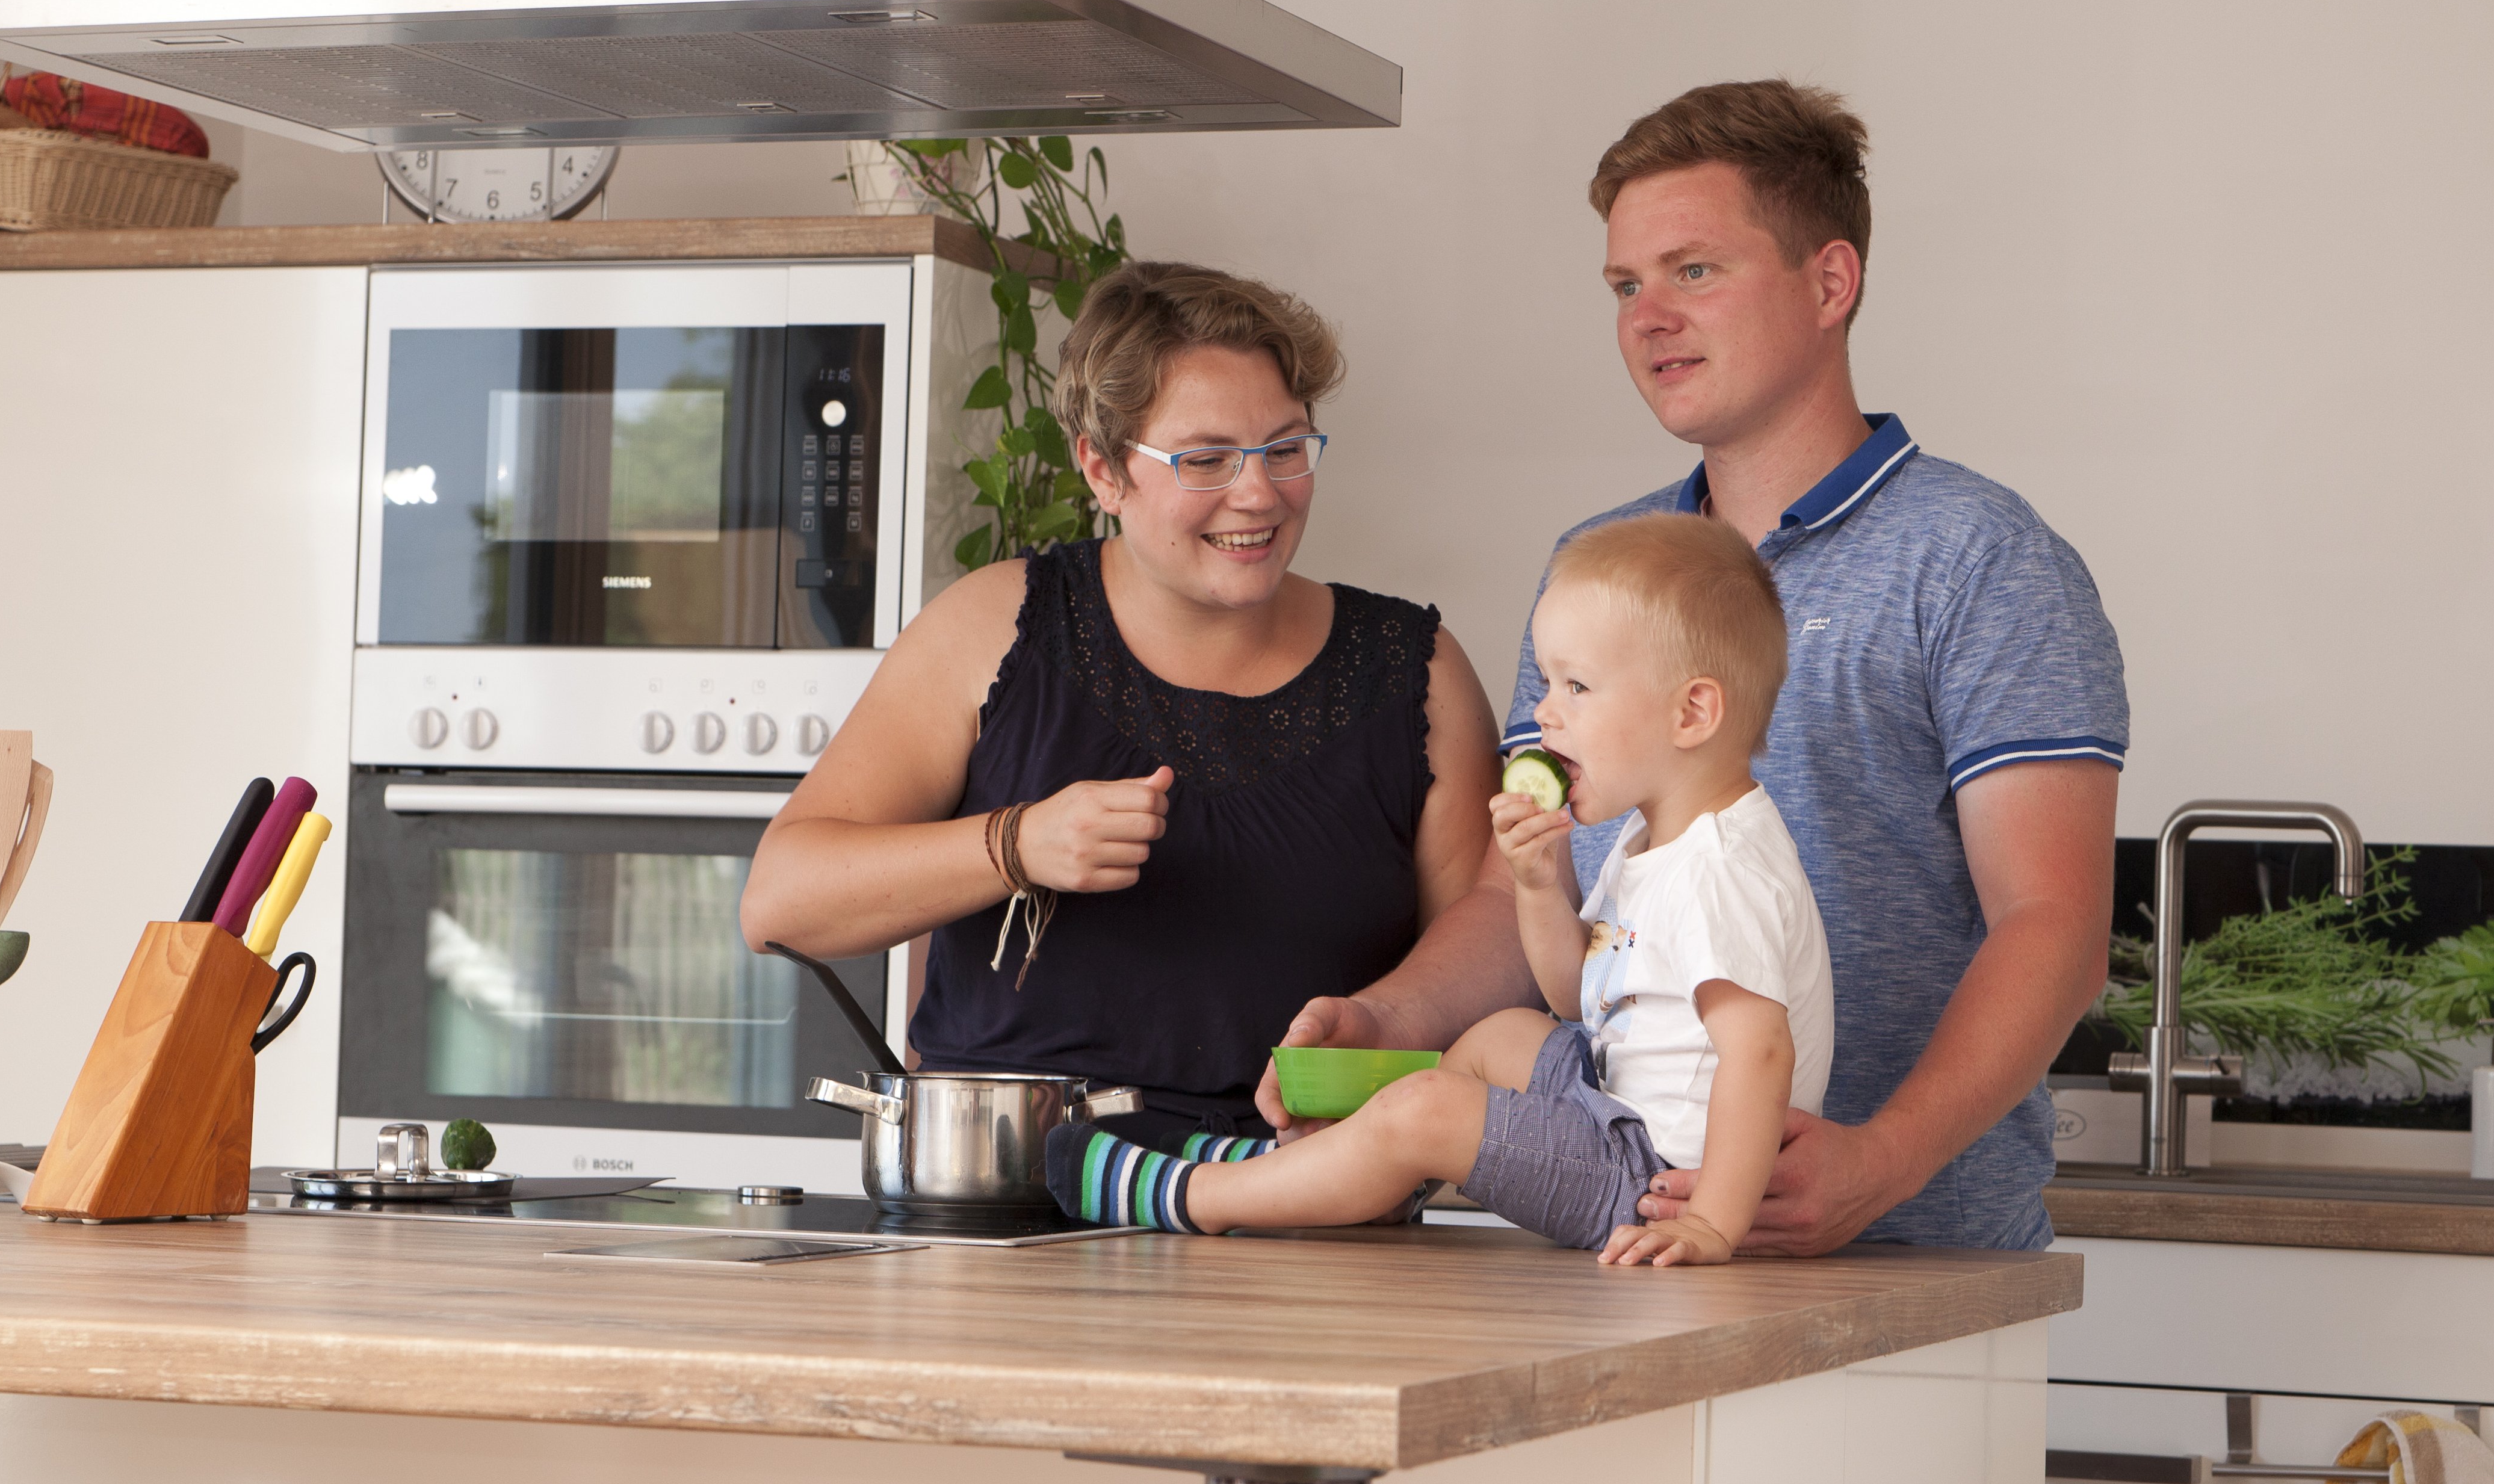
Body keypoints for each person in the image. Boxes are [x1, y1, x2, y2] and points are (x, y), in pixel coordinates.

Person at [1263, 80, 2126, 1253]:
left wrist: (1881, 1161)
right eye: (1626, 286)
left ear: (1830, 283)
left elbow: (2053, 924)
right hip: (1633, 1247)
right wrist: (1385, 1020)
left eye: (1695, 271)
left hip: (1914, 1263)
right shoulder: (1597, 570)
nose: (1649, 318)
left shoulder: (1982, 559)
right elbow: (1527, 886)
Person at [740, 261, 1504, 1151]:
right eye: (1206, 460)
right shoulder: (991, 628)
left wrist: (1383, 1031)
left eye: (1286, 449)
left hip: (1315, 1196)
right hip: (1016, 1195)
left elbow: (1491, 958)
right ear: (1102, 470)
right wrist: (1017, 843)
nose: (1259, 494)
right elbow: (780, 902)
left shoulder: (1418, 672)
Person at [1047, 513, 1832, 1266]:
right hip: (1617, 1115)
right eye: (1549, 682)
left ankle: (1203, 1196)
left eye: (1578, 687)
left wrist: (1711, 1222)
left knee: (1426, 1109)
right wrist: (1535, 887)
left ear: (1692, 712)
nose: (1544, 713)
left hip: (1657, 1180)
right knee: (1503, 1035)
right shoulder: (1650, 841)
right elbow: (1577, 996)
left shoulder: (1721, 870)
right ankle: (1330, 1175)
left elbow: (1760, 1053)